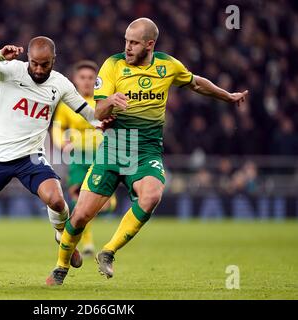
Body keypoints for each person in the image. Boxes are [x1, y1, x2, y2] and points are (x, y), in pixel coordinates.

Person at [46, 18, 248, 285]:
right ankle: (61, 266)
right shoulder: (113, 65)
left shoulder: (167, 66)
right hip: (114, 149)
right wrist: (110, 102)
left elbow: (196, 83)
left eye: (133, 43)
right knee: (81, 215)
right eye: (126, 41)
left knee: (152, 195)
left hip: (146, 152)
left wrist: (228, 96)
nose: (127, 47)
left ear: (149, 44)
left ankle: (108, 251)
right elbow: (98, 111)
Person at [0, 36, 103, 271]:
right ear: (28, 59)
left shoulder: (61, 83)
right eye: (34, 63)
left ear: (54, 60)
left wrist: (108, 119)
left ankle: (61, 236)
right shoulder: (12, 70)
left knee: (56, 200)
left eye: (44, 64)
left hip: (31, 157)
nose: (38, 68)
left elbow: (88, 113)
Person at [52, 60, 117, 258]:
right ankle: (87, 242)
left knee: (106, 205)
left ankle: (81, 228)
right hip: (78, 157)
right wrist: (62, 144)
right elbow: (57, 127)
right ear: (75, 80)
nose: (87, 82)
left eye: (90, 78)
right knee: (78, 198)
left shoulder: (103, 101)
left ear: (96, 80)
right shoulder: (67, 103)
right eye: (82, 77)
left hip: (102, 155)